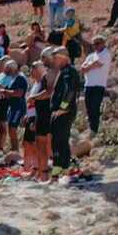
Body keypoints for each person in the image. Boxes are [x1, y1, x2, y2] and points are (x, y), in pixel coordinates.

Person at [49, 47, 80, 176]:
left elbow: (69, 91)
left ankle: (62, 168)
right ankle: (59, 168)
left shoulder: (69, 71)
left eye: (56, 57)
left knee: (60, 139)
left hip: (64, 112)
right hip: (59, 112)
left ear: (63, 57)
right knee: (57, 139)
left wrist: (63, 108)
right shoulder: (63, 71)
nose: (54, 61)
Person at [80, 35, 111, 136]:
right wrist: (89, 66)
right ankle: (91, 128)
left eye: (97, 44)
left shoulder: (105, 54)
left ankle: (95, 129)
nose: (95, 46)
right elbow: (83, 67)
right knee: (89, 108)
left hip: (98, 84)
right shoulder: (91, 56)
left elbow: (97, 64)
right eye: (94, 44)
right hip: (89, 84)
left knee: (95, 107)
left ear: (103, 43)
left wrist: (88, 66)